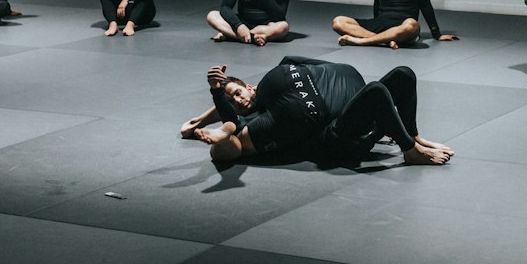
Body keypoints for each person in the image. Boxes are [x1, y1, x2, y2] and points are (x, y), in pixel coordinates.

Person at [180, 57, 453, 166]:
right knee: (376, 90)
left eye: (239, 93)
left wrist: (198, 121)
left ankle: (413, 136)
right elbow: (231, 131)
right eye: (232, 101)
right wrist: (216, 96)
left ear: (250, 87)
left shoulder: (277, 77)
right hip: (341, 136)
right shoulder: (255, 121)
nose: (238, 101)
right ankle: (410, 151)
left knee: (404, 74)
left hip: (354, 107)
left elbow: (316, 66)